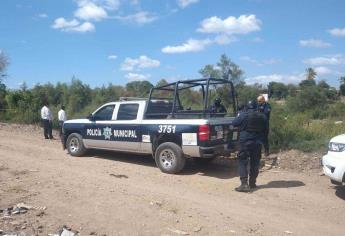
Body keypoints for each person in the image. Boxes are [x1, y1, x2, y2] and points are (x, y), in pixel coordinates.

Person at [231, 100, 267, 192]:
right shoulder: (262, 116)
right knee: (255, 162)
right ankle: (252, 183)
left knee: (242, 161)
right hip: (257, 142)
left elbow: (234, 123)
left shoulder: (243, 115)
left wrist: (239, 115)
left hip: (245, 142)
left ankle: (244, 184)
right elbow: (265, 129)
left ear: (247, 107)